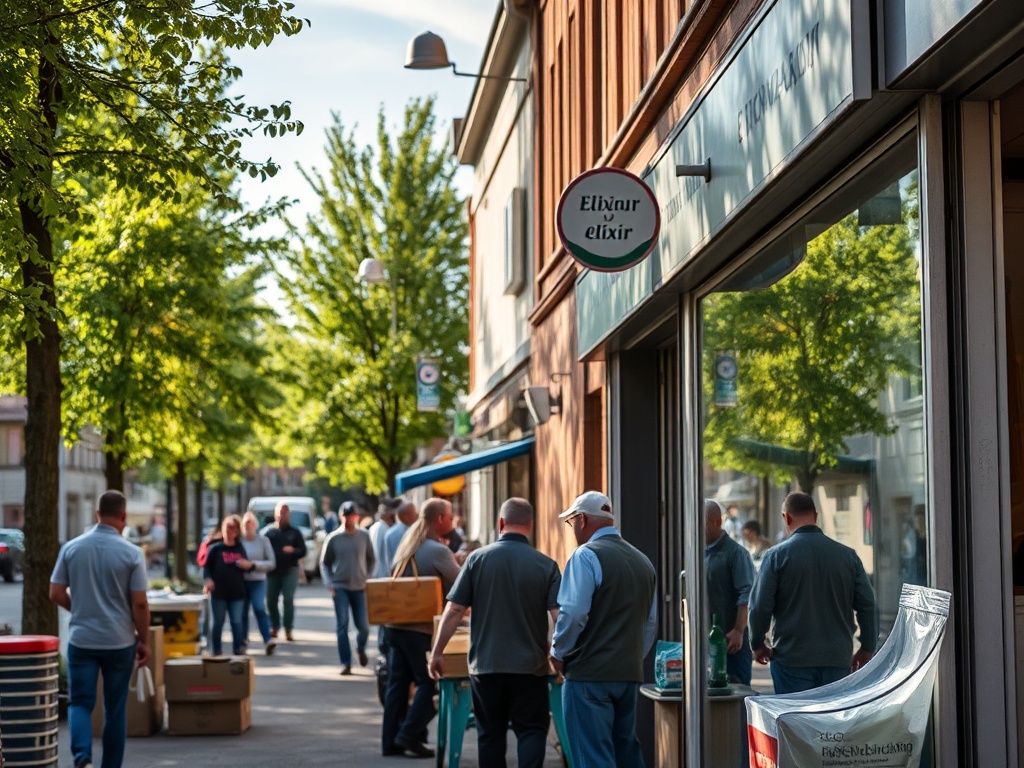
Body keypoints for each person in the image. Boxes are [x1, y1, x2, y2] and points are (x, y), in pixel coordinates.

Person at [429, 498, 561, 768]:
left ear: (501, 523)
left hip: (486, 667)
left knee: (489, 736)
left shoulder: (477, 560)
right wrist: (559, 655)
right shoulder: (546, 565)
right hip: (530, 667)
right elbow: (559, 617)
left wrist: (437, 651)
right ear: (531, 524)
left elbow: (454, 610)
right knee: (532, 731)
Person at [550, 491, 657, 768]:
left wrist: (558, 651)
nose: (572, 528)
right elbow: (650, 622)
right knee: (626, 751)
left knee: (593, 757)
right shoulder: (642, 561)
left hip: (588, 673)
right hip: (628, 673)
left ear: (582, 519)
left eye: (571, 522)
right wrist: (631, 656)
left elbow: (573, 613)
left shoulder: (585, 555)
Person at [49, 490, 149, 768]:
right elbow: (139, 603)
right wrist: (144, 640)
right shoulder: (132, 553)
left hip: (82, 639)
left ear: (97, 514)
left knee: (80, 702)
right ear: (124, 516)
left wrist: (79, 608)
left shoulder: (72, 547)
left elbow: (56, 592)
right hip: (119, 641)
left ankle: (82, 757)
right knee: (115, 711)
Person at [748, 491, 879, 695]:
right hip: (837, 659)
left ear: (787, 518)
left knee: (795, 723)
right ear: (816, 517)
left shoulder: (775, 557)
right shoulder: (848, 556)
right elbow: (867, 604)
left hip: (792, 659)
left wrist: (757, 644)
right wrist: (867, 647)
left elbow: (759, 607)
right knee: (831, 724)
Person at [381, 498, 460, 758]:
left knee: (398, 684)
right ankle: (409, 734)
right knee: (431, 682)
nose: (453, 520)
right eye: (450, 516)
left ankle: (390, 742)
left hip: (395, 625)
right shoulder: (438, 550)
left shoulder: (408, 545)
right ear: (440, 519)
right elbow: (463, 584)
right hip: (419, 629)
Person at [320, 501, 376, 674]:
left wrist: (368, 577)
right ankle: (346, 662)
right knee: (342, 624)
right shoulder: (334, 538)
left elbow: (371, 559)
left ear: (357, 517)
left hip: (359, 587)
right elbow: (325, 563)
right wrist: (329, 583)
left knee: (364, 627)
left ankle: (360, 648)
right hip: (340, 586)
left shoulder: (364, 536)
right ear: (340, 517)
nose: (348, 519)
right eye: (345, 516)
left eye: (351, 516)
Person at [704, 499, 755, 686]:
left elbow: (746, 594)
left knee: (737, 692)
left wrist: (738, 630)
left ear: (717, 522)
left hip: (732, 642)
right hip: (707, 641)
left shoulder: (736, 553)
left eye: (701, 522)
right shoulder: (698, 553)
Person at [203, 515, 253, 656]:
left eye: (233, 528)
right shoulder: (215, 549)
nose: (230, 531)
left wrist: (247, 565)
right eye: (228, 527)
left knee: (236, 622)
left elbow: (247, 565)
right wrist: (208, 580)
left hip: (236, 592)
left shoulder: (239, 548)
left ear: (237, 531)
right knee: (217, 622)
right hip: (218, 592)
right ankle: (216, 650)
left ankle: (238, 649)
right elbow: (207, 568)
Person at [264, 502, 307, 641]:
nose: (282, 515)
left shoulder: (295, 532)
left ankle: (288, 628)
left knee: (288, 598)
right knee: (271, 600)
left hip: (290, 570)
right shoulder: (268, 533)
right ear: (275, 514)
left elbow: (303, 551)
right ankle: (274, 626)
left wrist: (293, 551)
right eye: (280, 512)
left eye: (285, 512)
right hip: (272, 571)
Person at [240, 511, 277, 655]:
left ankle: (267, 639)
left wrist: (254, 565)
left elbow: (272, 562)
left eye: (252, 524)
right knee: (242, 612)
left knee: (259, 608)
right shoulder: (240, 541)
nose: (249, 527)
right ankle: (243, 640)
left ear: (256, 525)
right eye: (246, 524)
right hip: (242, 582)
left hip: (258, 581)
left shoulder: (263, 541)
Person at [381, 499, 418, 577]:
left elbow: (388, 563)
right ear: (407, 517)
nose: (417, 514)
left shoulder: (389, 534)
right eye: (415, 512)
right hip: (407, 579)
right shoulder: (419, 532)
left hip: (399, 579)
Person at [368, 497, 400, 579]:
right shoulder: (382, 528)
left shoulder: (375, 527)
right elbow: (376, 553)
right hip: (380, 576)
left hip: (377, 575)